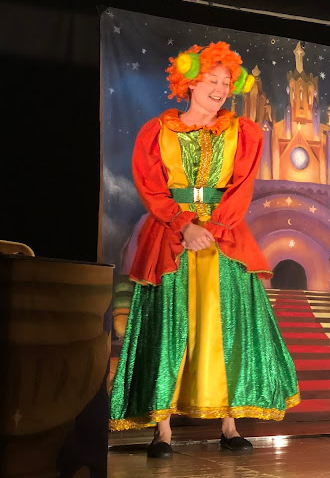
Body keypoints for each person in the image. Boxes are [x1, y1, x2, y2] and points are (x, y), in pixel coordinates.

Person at [109, 42, 300, 457]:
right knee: (169, 323)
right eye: (211, 80)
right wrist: (184, 225)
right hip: (170, 235)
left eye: (226, 83)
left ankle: (229, 425)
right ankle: (162, 431)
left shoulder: (243, 133)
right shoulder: (157, 131)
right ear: (190, 82)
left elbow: (241, 188)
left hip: (223, 235)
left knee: (227, 324)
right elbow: (151, 186)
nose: (219, 89)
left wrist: (210, 228)